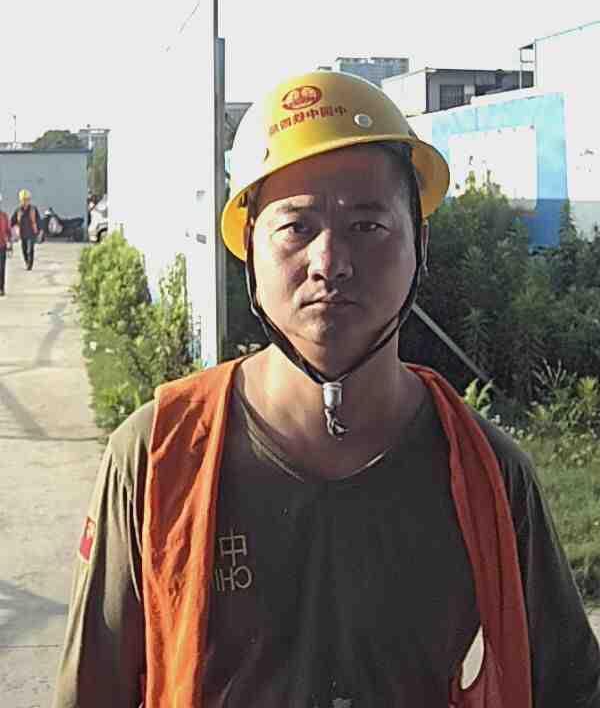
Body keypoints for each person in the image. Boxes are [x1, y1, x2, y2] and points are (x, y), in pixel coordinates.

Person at [52, 71, 600, 708]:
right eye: (296, 227)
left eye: (368, 226)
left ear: (419, 244)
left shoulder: (488, 476)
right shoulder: (155, 459)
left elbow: (571, 689)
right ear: (248, 250)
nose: (330, 262)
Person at [11, 189, 42, 270]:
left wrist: (40, 231)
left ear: (29, 200)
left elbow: (38, 220)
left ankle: (29, 265)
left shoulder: (33, 209)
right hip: (22, 234)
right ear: (20, 200)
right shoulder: (18, 210)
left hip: (31, 233)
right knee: (24, 250)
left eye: (27, 200)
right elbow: (13, 221)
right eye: (23, 200)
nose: (25, 202)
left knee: (30, 249)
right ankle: (26, 262)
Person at [0, 194, 13, 296]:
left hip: (2, 246)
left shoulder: (4, 216)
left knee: (1, 268)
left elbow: (8, 231)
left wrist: (10, 245)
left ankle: (1, 288)